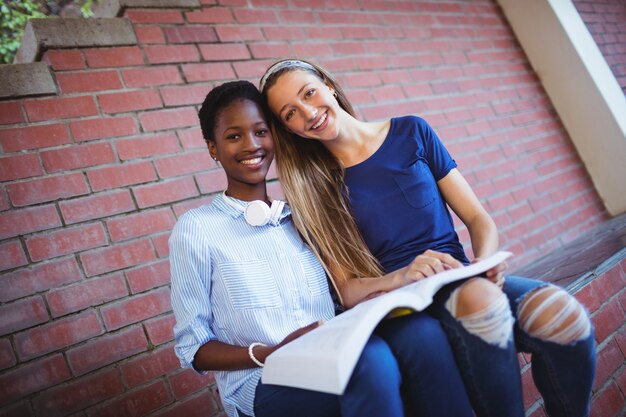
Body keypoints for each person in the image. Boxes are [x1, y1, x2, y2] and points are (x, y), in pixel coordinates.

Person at [260, 59, 597, 417]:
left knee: (566, 320)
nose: (309, 112)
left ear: (327, 84)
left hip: (461, 278)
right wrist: (402, 276)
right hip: (402, 306)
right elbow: (347, 289)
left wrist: (484, 263)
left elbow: (478, 218)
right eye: (290, 113)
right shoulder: (313, 189)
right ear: (289, 130)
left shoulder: (411, 132)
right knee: (482, 300)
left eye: (309, 93)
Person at [169, 80, 474, 417]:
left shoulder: (302, 219)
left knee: (421, 336)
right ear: (213, 148)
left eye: (260, 131)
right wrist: (270, 352)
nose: (251, 145)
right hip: (263, 378)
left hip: (335, 350)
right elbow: (193, 348)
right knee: (368, 365)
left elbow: (342, 296)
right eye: (234, 136)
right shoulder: (197, 229)